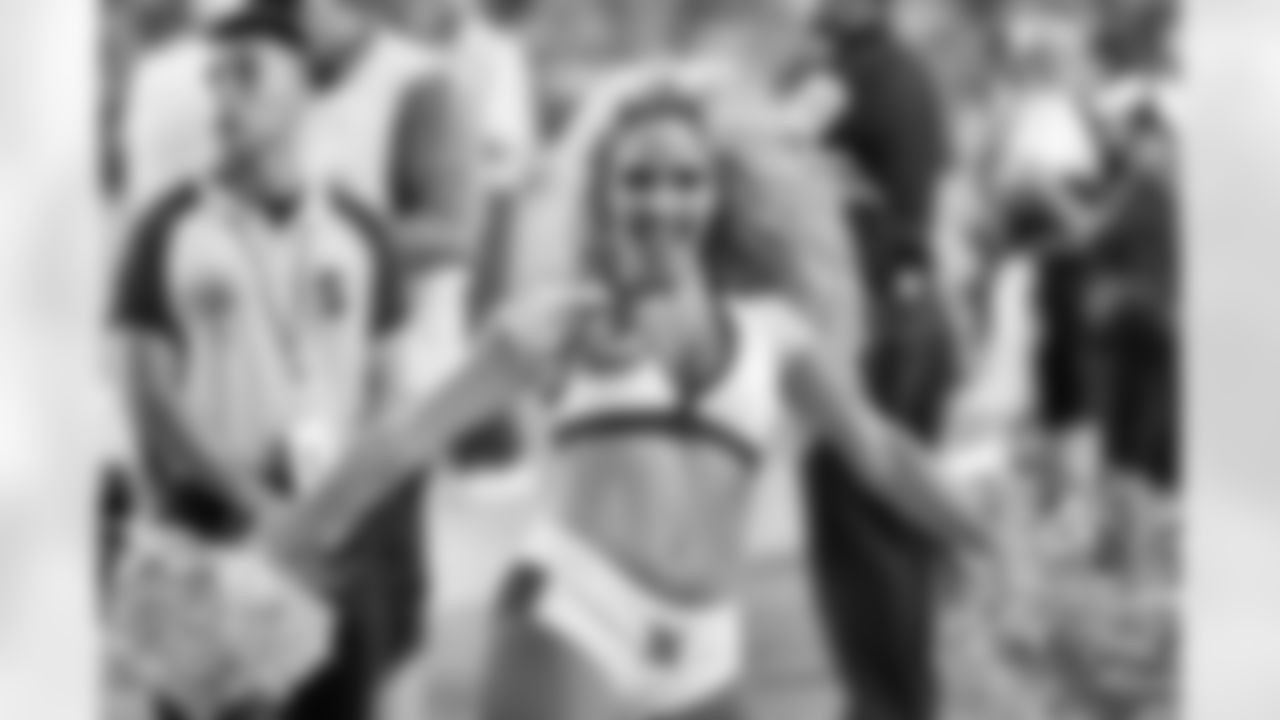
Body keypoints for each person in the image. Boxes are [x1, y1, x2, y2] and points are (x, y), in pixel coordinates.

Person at [259, 66, 984, 720]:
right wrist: (285, 544)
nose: (663, 202)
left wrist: (982, 531)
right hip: (572, 613)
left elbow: (881, 454)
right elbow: (408, 438)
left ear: (718, 194)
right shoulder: (556, 325)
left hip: (708, 646)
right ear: (604, 193)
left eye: (686, 181)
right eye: (639, 180)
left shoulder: (776, 333)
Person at [106, 6, 412, 718]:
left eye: (246, 74)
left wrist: (343, 504)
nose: (223, 96)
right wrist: (253, 506)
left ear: (305, 86)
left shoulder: (361, 230)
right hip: (212, 529)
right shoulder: (166, 225)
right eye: (214, 78)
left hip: (335, 527)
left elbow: (388, 386)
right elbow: (148, 393)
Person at [804, 1, 956, 718]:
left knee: (862, 528)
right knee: (892, 524)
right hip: (908, 313)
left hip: (874, 323)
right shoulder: (905, 72)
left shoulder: (854, 78)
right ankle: (901, 701)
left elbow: (768, 143)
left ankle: (886, 706)